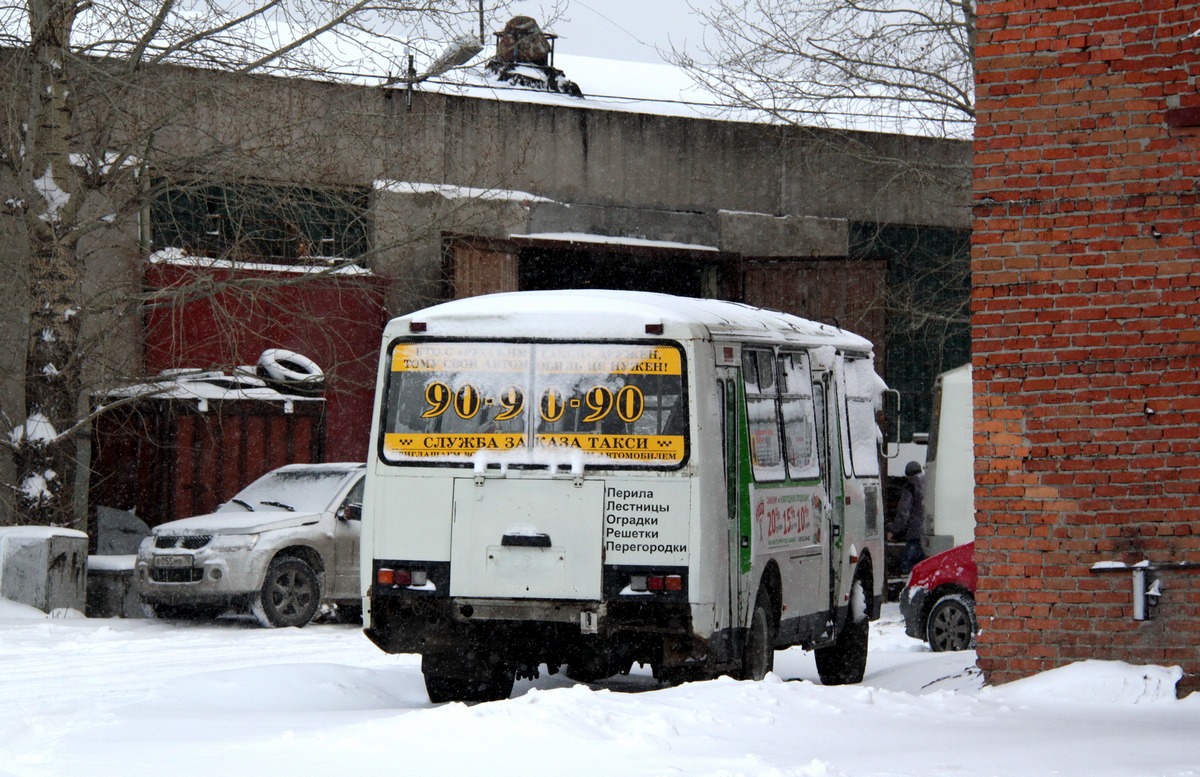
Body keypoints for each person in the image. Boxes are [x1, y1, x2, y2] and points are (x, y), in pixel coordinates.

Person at [889, 460, 927, 575]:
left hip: (915, 535)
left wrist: (893, 531)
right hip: (929, 534)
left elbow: (903, 512)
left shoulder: (911, 486)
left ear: (908, 474)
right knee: (925, 567)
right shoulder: (930, 482)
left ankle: (907, 589)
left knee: (908, 567)